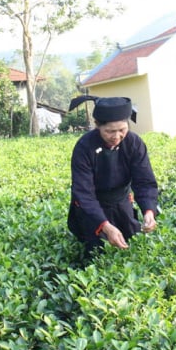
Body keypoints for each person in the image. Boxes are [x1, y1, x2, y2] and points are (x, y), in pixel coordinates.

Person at [66, 96, 159, 258]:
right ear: (98, 126)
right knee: (97, 252)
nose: (116, 136)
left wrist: (149, 211)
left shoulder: (134, 143)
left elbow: (144, 181)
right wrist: (105, 226)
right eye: (109, 131)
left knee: (131, 245)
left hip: (121, 201)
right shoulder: (84, 147)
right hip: (92, 206)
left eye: (122, 130)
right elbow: (84, 193)